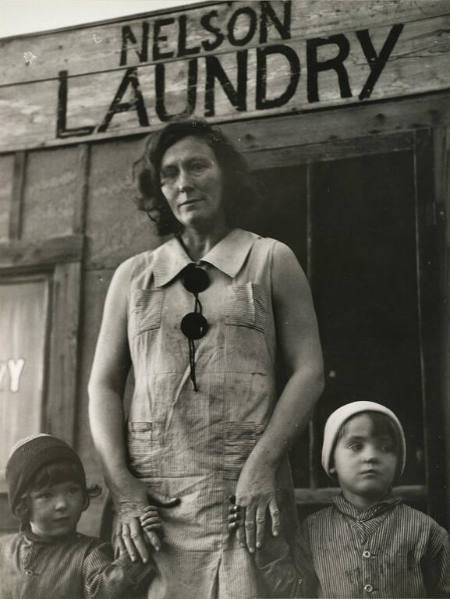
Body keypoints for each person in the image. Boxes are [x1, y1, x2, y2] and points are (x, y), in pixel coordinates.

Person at [88, 119, 324, 598]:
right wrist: (123, 488)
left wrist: (263, 464)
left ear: (226, 174)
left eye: (197, 166)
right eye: (169, 174)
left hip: (245, 499)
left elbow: (310, 371)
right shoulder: (134, 277)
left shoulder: (270, 259)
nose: (184, 183)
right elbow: (103, 385)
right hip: (154, 509)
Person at [300, 401, 450, 598]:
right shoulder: (311, 530)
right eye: (356, 446)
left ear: (399, 463)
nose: (370, 456)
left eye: (386, 447)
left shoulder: (426, 530)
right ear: (331, 461)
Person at [0, 433, 162, 599]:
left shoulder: (89, 555)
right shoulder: (4, 550)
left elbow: (108, 590)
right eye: (47, 495)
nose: (62, 504)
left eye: (72, 491)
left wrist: (142, 543)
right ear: (23, 504)